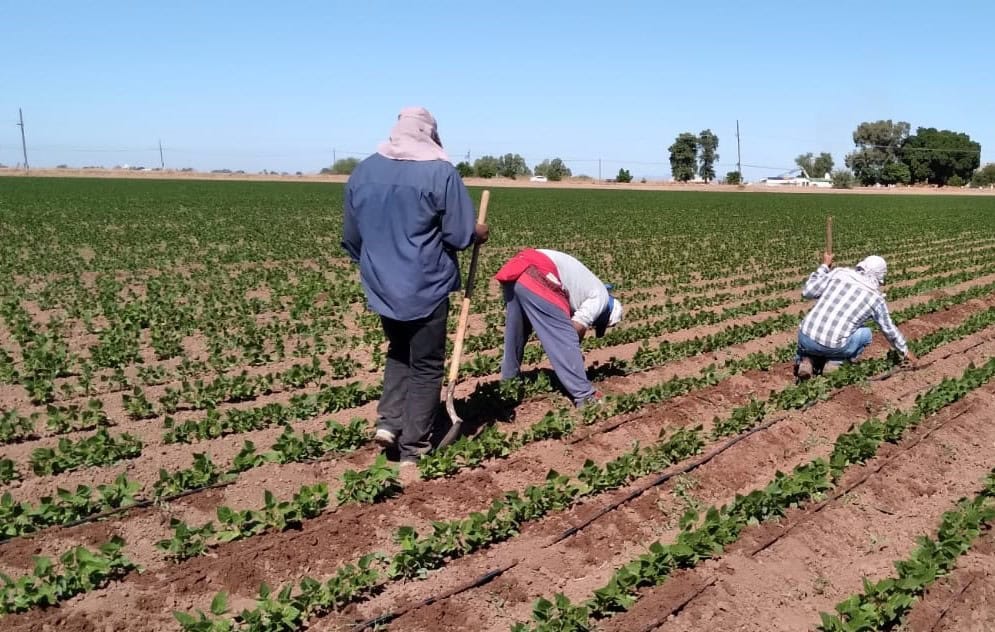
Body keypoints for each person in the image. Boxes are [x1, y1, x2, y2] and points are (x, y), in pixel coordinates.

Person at [342, 107, 489, 465]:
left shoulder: (364, 170)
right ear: (429, 134)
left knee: (398, 350)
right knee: (425, 364)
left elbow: (351, 238)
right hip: (424, 284)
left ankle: (389, 424)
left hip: (381, 285)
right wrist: (477, 234)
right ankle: (413, 448)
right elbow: (456, 235)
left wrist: (380, 267)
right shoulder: (441, 173)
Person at [496, 248, 624, 406]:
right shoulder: (601, 298)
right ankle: (584, 396)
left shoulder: (590, 288)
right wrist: (572, 352)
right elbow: (574, 329)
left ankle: (508, 384)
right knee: (565, 337)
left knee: (516, 335)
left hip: (517, 269)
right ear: (606, 315)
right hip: (538, 272)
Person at [794, 252, 917, 380]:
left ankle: (806, 359)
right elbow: (888, 329)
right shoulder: (875, 298)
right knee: (866, 333)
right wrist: (905, 351)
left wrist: (824, 266)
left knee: (816, 328)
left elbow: (807, 291)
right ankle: (836, 362)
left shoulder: (839, 273)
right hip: (835, 346)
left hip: (805, 337)